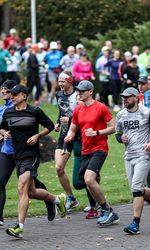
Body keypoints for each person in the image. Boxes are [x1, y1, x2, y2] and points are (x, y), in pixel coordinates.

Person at [0, 85, 66, 238]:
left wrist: (38, 136)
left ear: (24, 96)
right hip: (17, 154)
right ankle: (58, 200)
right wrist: (5, 133)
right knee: (31, 191)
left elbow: (49, 125)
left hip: (32, 154)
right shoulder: (9, 112)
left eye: (15, 95)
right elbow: (1, 128)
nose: (12, 97)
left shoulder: (34, 111)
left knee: (21, 186)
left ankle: (19, 226)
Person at [64, 80, 119, 226]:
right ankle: (103, 209)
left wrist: (97, 132)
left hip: (100, 148)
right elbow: (73, 128)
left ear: (90, 92)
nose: (79, 93)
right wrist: (69, 135)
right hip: (85, 150)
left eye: (82, 91)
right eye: (78, 91)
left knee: (89, 179)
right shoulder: (78, 109)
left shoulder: (100, 107)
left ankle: (108, 210)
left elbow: (114, 127)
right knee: (89, 182)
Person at [115, 87, 150, 234]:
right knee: (136, 188)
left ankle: (135, 223)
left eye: (128, 97)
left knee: (136, 189)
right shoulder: (120, 115)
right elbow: (118, 133)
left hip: (144, 154)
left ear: (136, 98)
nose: (125, 100)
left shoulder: (146, 112)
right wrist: (120, 138)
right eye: (123, 97)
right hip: (129, 155)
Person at [54, 71, 79, 211]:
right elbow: (61, 111)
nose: (60, 84)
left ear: (70, 81)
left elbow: (82, 114)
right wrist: (58, 122)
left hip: (78, 134)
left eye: (63, 81)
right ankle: (71, 198)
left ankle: (94, 202)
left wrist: (69, 120)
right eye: (59, 81)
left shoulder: (77, 95)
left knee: (85, 172)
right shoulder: (58, 95)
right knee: (59, 168)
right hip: (64, 135)